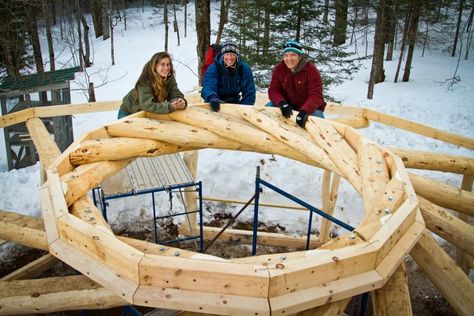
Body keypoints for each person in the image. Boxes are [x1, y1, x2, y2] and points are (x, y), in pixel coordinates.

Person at [268, 40, 326, 128]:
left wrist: (304, 111)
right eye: (286, 55)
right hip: (288, 105)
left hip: (309, 108)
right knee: (267, 110)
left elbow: (316, 95)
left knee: (320, 125)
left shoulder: (311, 70)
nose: (289, 59)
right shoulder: (279, 69)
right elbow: (273, 90)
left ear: (299, 56)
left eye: (293, 55)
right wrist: (282, 103)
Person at [118, 52, 187, 118]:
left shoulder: (169, 77)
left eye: (168, 64)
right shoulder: (145, 80)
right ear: (155, 65)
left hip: (148, 112)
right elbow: (147, 105)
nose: (166, 68)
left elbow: (174, 94)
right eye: (162, 64)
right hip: (129, 111)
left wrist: (179, 102)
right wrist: (170, 107)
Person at [201, 41, 256, 112]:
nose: (229, 58)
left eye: (232, 55)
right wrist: (212, 98)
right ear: (223, 55)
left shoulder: (244, 68)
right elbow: (208, 87)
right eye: (227, 54)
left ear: (236, 56)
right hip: (217, 101)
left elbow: (249, 91)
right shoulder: (214, 68)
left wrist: (245, 107)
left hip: (235, 102)